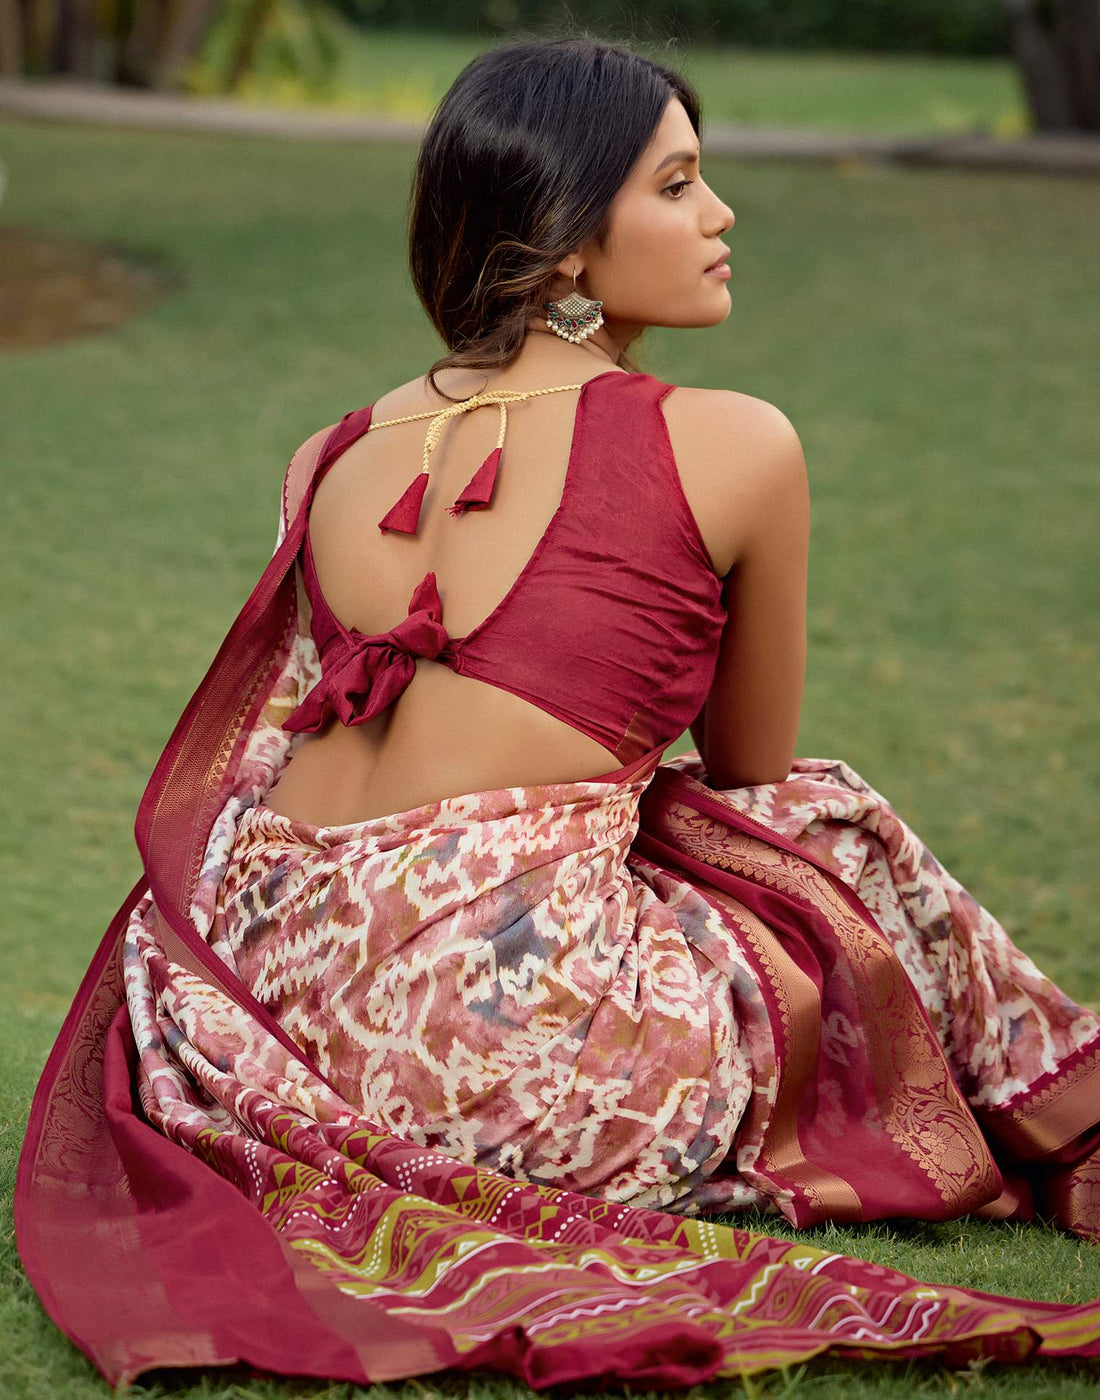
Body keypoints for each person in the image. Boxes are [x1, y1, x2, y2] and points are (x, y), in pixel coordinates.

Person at [15, 33, 1100, 1393]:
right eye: (680, 185)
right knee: (821, 814)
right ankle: (1045, 1089)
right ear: (572, 243)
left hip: (254, 1014)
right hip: (515, 1048)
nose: (722, 217)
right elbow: (750, 763)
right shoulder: (734, 444)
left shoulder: (333, 452)